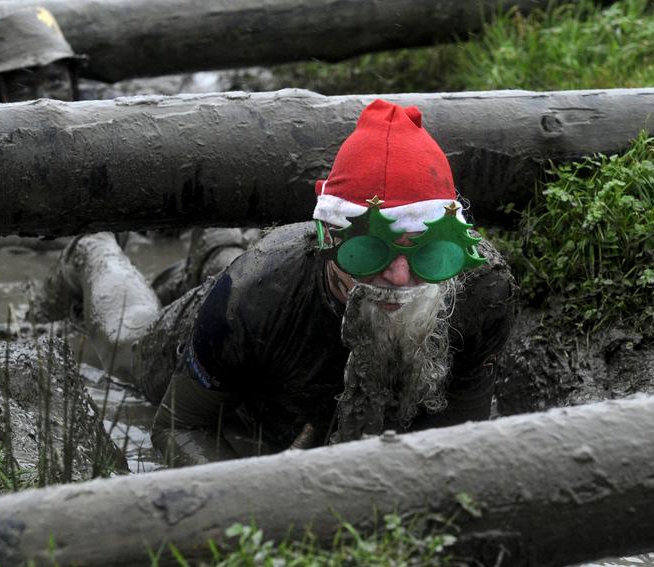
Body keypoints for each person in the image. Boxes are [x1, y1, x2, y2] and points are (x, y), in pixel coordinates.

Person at [38, 99, 517, 465]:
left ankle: (215, 244)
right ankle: (94, 249)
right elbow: (176, 426)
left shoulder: (481, 289)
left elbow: (457, 441)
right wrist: (263, 499)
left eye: (427, 253)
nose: (398, 277)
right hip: (225, 322)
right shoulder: (259, 293)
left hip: (263, 310)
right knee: (125, 345)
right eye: (368, 251)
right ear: (329, 243)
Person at [0, 6, 84, 103]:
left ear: (72, 81)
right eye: (22, 89)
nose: (44, 101)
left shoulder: (99, 101)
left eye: (55, 83)